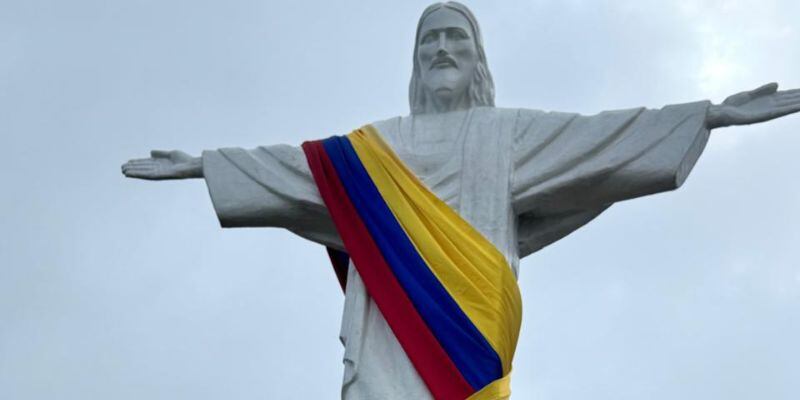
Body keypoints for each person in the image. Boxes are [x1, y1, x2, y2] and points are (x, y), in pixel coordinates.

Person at [122, 2, 800, 399]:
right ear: (416, 60)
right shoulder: (371, 150)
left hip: (471, 330)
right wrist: (205, 166)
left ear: (477, 58)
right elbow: (296, 173)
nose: (442, 49)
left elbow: (602, 138)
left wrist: (709, 115)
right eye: (431, 40)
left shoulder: (506, 135)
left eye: (456, 38)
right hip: (389, 333)